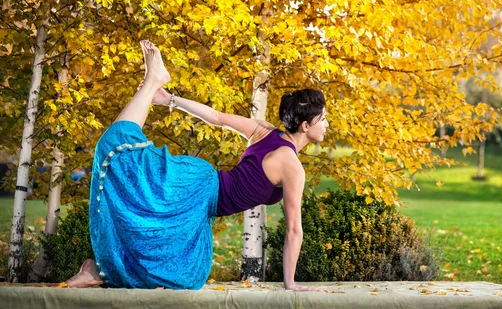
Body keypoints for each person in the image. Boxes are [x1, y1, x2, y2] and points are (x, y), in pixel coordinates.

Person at [65, 40, 327, 291]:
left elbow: (215, 117)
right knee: (119, 154)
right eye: (323, 119)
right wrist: (290, 282)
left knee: (180, 270)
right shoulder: (291, 165)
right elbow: (294, 229)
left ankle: (96, 270)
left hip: (199, 194)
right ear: (306, 126)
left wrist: (169, 100)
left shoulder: (265, 131)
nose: (327, 125)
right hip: (199, 190)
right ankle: (152, 81)